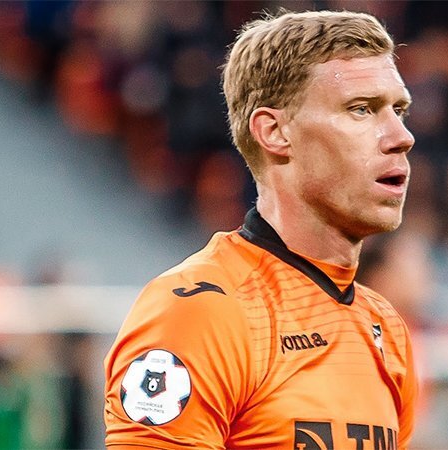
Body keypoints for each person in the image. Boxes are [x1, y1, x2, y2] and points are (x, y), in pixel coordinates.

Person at [103, 9, 419, 449]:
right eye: (361, 109)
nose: (401, 136)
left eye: (399, 110)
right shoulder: (203, 313)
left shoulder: (385, 327)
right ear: (275, 132)